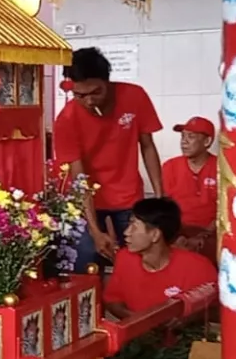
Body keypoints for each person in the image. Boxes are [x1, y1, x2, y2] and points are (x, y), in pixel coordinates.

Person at [54, 47, 163, 269]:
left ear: (108, 82)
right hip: (86, 201)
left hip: (128, 195)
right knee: (84, 256)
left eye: (96, 92)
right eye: (80, 95)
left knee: (139, 259)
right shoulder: (66, 119)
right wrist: (95, 230)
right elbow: (79, 177)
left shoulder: (134, 96)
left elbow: (148, 146)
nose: (89, 101)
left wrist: (159, 198)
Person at [104, 197, 218, 319]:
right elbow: (113, 300)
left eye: (135, 227)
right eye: (129, 225)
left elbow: (215, 311)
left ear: (155, 235)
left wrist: (184, 319)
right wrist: (141, 322)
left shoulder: (198, 267)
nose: (126, 232)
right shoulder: (124, 258)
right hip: (140, 335)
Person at [160, 116, 218, 259]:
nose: (184, 142)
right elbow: (166, 208)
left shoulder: (221, 167)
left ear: (207, 141)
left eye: (191, 137)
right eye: (183, 136)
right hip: (178, 232)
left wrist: (204, 236)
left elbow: (226, 210)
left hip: (211, 232)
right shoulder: (170, 166)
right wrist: (177, 235)